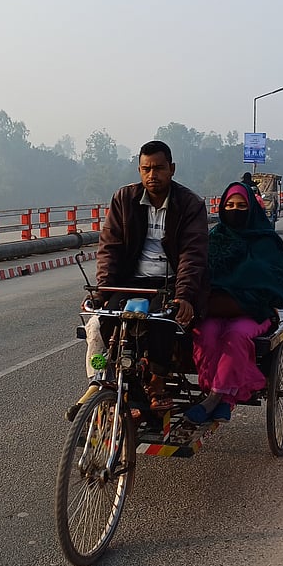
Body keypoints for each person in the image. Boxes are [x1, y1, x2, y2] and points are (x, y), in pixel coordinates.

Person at [94, 140, 209, 408]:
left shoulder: (191, 204)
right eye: (146, 169)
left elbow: (192, 255)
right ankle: (106, 378)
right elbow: (109, 247)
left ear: (172, 169)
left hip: (169, 283)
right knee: (107, 317)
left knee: (162, 319)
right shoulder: (124, 199)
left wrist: (185, 296)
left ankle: (157, 381)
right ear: (139, 170)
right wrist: (103, 291)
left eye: (158, 168)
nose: (152, 175)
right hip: (131, 280)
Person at [185, 179, 283, 424]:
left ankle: (216, 398)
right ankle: (222, 395)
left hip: (252, 311)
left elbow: (272, 282)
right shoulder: (214, 238)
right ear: (222, 207)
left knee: (235, 337)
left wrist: (244, 296)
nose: (234, 209)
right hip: (216, 308)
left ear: (251, 208)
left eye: (241, 205)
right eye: (229, 205)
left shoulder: (267, 242)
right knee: (206, 334)